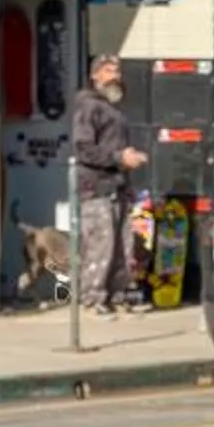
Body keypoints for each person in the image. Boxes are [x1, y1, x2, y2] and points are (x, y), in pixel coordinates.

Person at [71, 52, 147, 313]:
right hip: (96, 186)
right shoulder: (88, 106)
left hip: (118, 185)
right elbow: (83, 149)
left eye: (118, 71)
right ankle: (93, 299)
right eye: (109, 70)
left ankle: (117, 295)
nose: (116, 76)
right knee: (100, 245)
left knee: (123, 245)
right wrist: (118, 157)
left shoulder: (113, 109)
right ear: (95, 75)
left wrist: (128, 158)